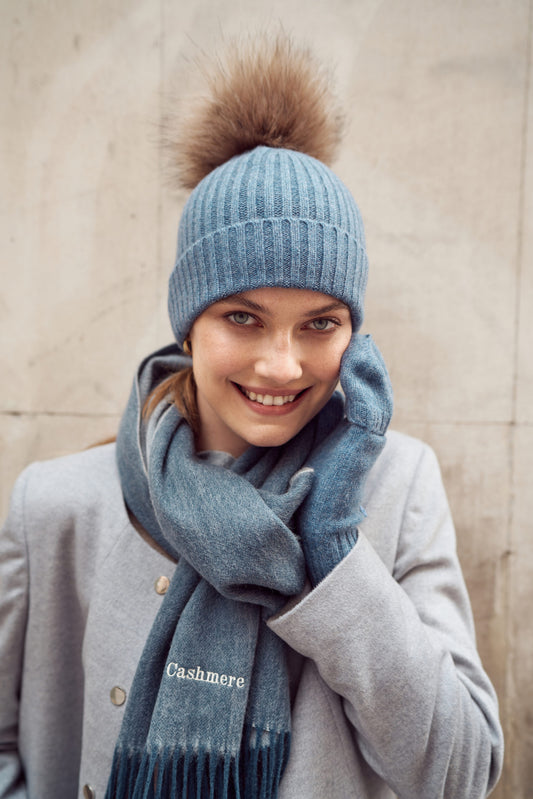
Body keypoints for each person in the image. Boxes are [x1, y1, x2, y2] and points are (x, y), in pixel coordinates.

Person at [0, 35, 503, 799]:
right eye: (242, 317)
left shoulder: (397, 487)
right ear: (189, 322)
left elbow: (461, 772)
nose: (281, 365)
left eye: (319, 323)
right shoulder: (57, 506)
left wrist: (334, 557)